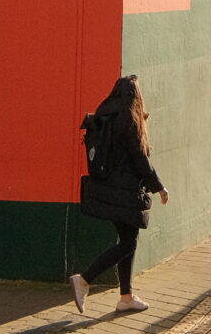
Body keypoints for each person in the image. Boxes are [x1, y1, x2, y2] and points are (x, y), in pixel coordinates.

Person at [69, 76, 167, 315]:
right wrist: (159, 186)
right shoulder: (128, 119)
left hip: (107, 188)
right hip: (125, 190)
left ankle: (126, 297)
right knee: (128, 243)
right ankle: (84, 280)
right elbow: (139, 157)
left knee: (127, 240)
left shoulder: (106, 115)